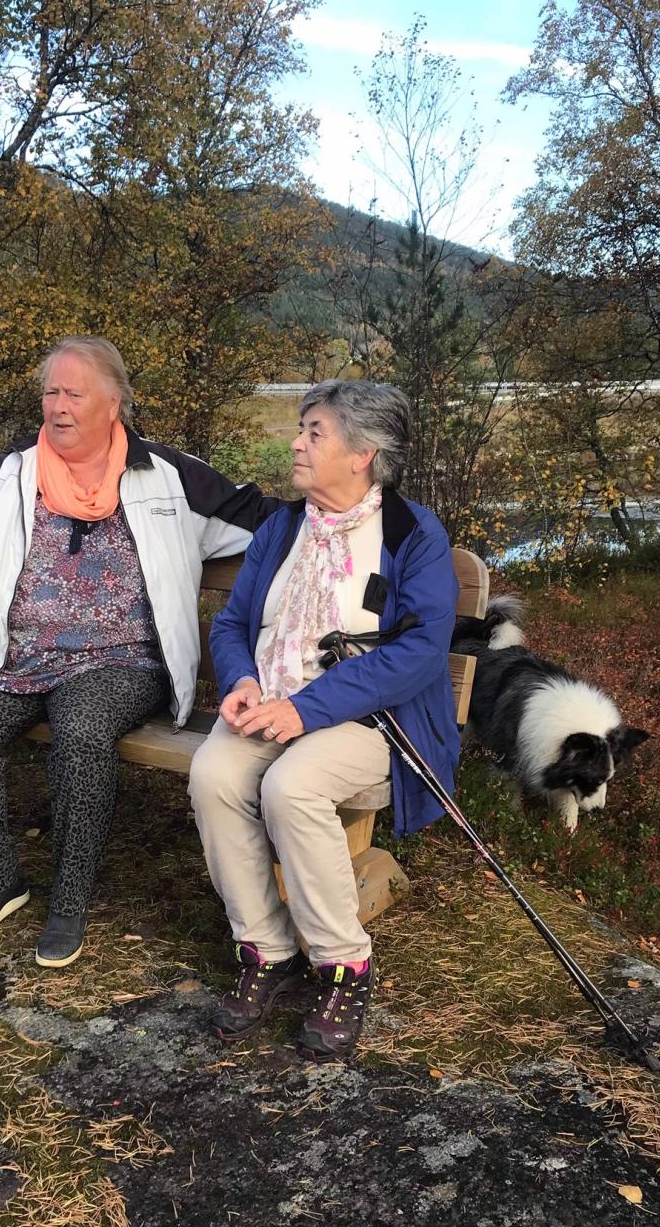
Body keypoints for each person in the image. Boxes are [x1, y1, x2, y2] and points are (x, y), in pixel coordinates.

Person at [0, 335, 279, 964]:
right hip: (15, 652)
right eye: (51, 392)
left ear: (115, 402)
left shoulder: (167, 474)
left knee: (80, 732)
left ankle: (70, 901)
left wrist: (354, 518)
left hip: (121, 659)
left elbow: (258, 518)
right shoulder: (11, 472)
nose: (58, 406)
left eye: (75, 393)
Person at [187, 380, 459, 1061]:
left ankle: (344, 966)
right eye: (301, 429)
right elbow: (236, 622)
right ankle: (268, 949)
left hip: (370, 718)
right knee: (213, 772)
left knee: (292, 786)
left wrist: (306, 708)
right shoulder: (283, 527)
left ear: (363, 452)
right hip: (274, 699)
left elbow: (420, 651)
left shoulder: (411, 534)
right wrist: (244, 679)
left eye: (315, 432)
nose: (296, 444)